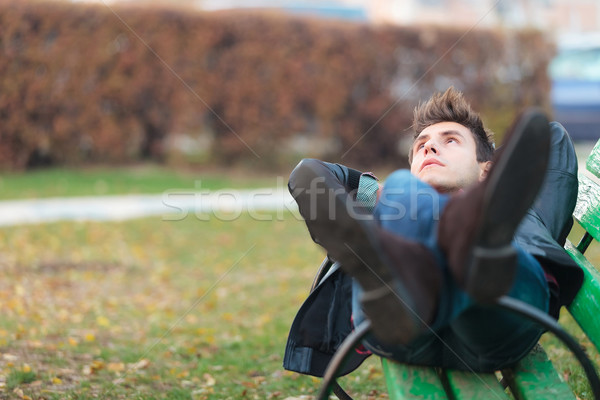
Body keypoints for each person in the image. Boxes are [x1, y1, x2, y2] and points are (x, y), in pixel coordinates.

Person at [283, 87, 583, 375]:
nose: (429, 146)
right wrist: (381, 195)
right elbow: (310, 175)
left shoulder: (522, 206)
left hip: (500, 318)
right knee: (403, 188)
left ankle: (470, 252)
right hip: (402, 328)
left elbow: (551, 137)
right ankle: (422, 271)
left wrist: (483, 187)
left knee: (420, 206)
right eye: (420, 145)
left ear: (488, 169)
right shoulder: (396, 198)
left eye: (451, 140)